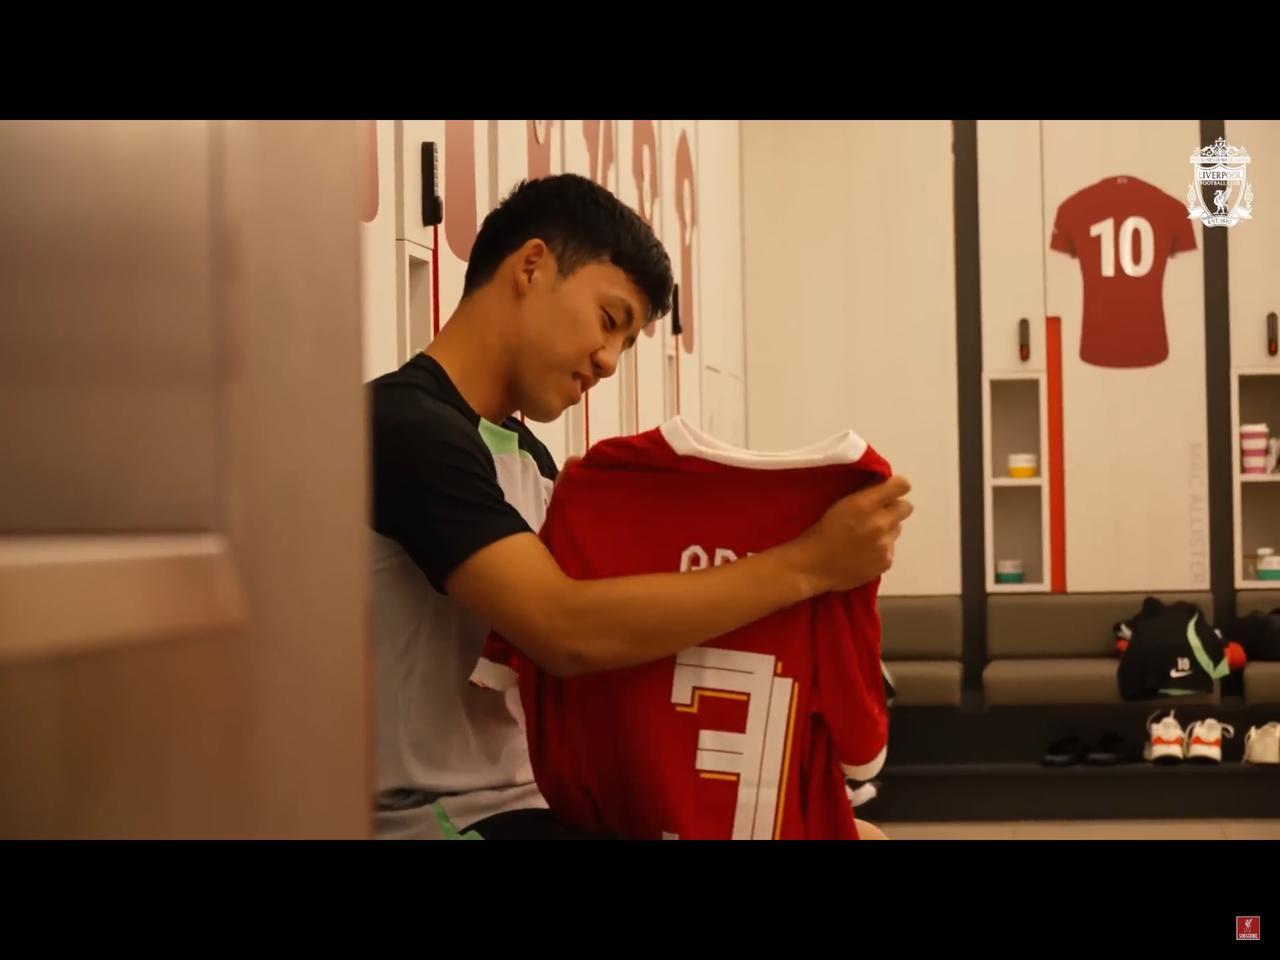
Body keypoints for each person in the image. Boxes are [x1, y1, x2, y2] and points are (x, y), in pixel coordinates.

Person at [369, 173, 914, 840]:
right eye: (609, 321)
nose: (608, 362)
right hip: (435, 817)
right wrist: (810, 564)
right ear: (532, 266)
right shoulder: (406, 429)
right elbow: (563, 629)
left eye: (626, 344)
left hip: (534, 799)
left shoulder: (530, 458)